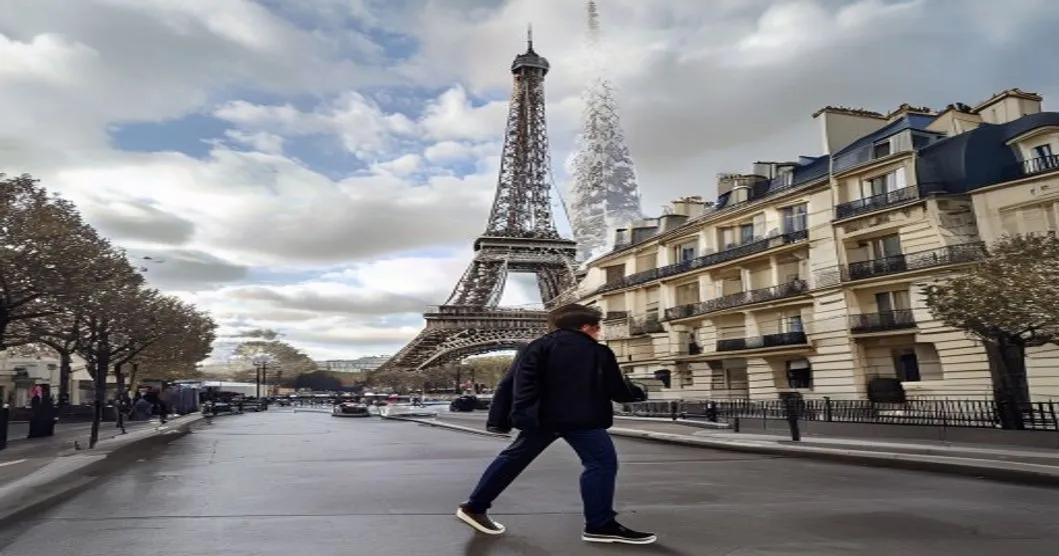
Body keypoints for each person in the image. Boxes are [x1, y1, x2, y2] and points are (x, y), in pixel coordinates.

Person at [456, 303, 656, 545]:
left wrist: (501, 420)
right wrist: (637, 392)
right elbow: (618, 391)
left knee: (512, 459)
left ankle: (474, 506)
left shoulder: (535, 347)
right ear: (585, 327)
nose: (598, 333)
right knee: (601, 465)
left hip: (541, 419)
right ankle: (599, 524)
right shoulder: (599, 352)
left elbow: (512, 384)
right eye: (596, 328)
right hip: (583, 419)